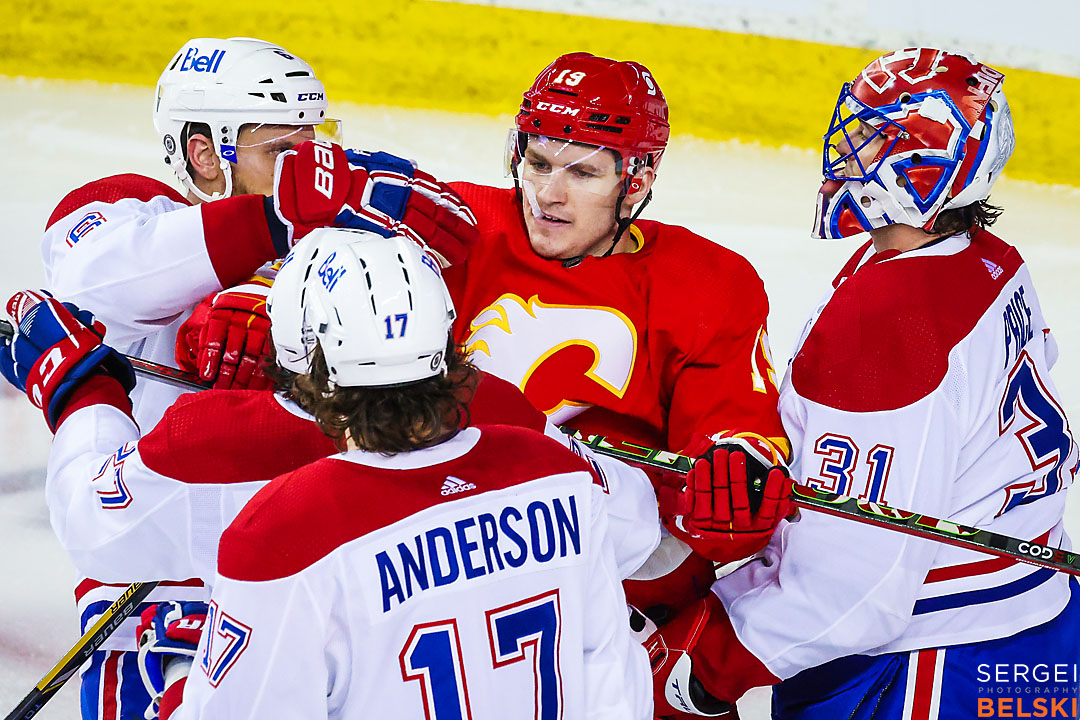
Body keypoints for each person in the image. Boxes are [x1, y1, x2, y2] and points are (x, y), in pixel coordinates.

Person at [1, 228, 662, 718]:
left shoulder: (275, 521)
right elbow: (632, 538)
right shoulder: (547, 466)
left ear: (297, 351)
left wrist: (81, 393)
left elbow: (95, 528)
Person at [37, 35, 475, 720]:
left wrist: (284, 276)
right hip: (160, 572)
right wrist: (272, 229)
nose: (309, 166)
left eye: (314, 144)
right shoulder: (126, 213)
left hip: (318, 562)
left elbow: (455, 233)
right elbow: (95, 280)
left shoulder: (338, 237)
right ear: (205, 154)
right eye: (281, 151)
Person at [647, 48, 1080, 719]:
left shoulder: (887, 324)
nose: (846, 150)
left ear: (926, 164)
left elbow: (855, 588)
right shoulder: (988, 259)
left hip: (933, 661)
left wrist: (709, 664)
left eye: (873, 136)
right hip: (1038, 623)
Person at [441, 52, 793, 653]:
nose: (547, 195)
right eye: (537, 162)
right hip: (448, 553)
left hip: (616, 583)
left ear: (637, 182)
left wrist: (736, 474)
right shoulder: (457, 227)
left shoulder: (706, 284)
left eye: (582, 173)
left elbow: (736, 431)